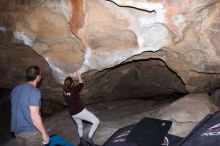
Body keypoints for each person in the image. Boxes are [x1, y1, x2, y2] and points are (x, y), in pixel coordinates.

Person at [11, 65, 49, 146]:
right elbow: (34, 116)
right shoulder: (34, 92)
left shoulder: (15, 89)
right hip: (31, 132)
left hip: (17, 130)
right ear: (38, 76)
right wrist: (44, 133)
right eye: (40, 74)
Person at [63, 71, 100, 145]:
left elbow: (69, 87)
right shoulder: (74, 90)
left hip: (73, 114)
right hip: (80, 111)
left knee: (80, 126)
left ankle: (81, 140)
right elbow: (81, 84)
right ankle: (89, 138)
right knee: (96, 121)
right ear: (72, 84)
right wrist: (78, 75)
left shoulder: (64, 92)